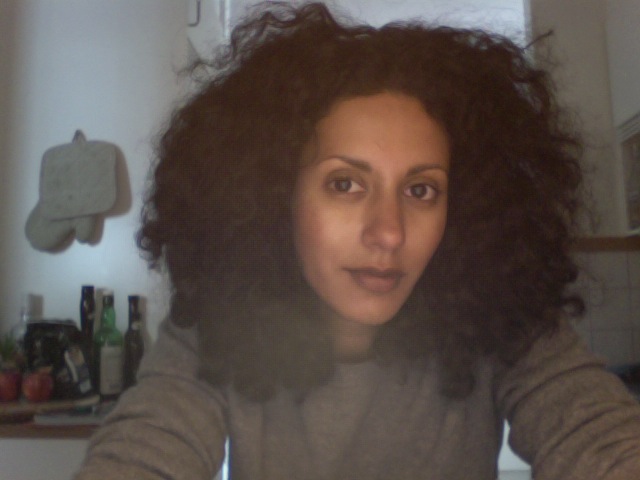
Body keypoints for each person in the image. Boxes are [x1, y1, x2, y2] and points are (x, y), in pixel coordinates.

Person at [74, 2, 640, 479]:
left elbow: (598, 436)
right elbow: (144, 450)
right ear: (274, 196)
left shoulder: (506, 318)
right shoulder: (211, 330)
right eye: (344, 184)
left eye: (421, 190)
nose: (388, 232)